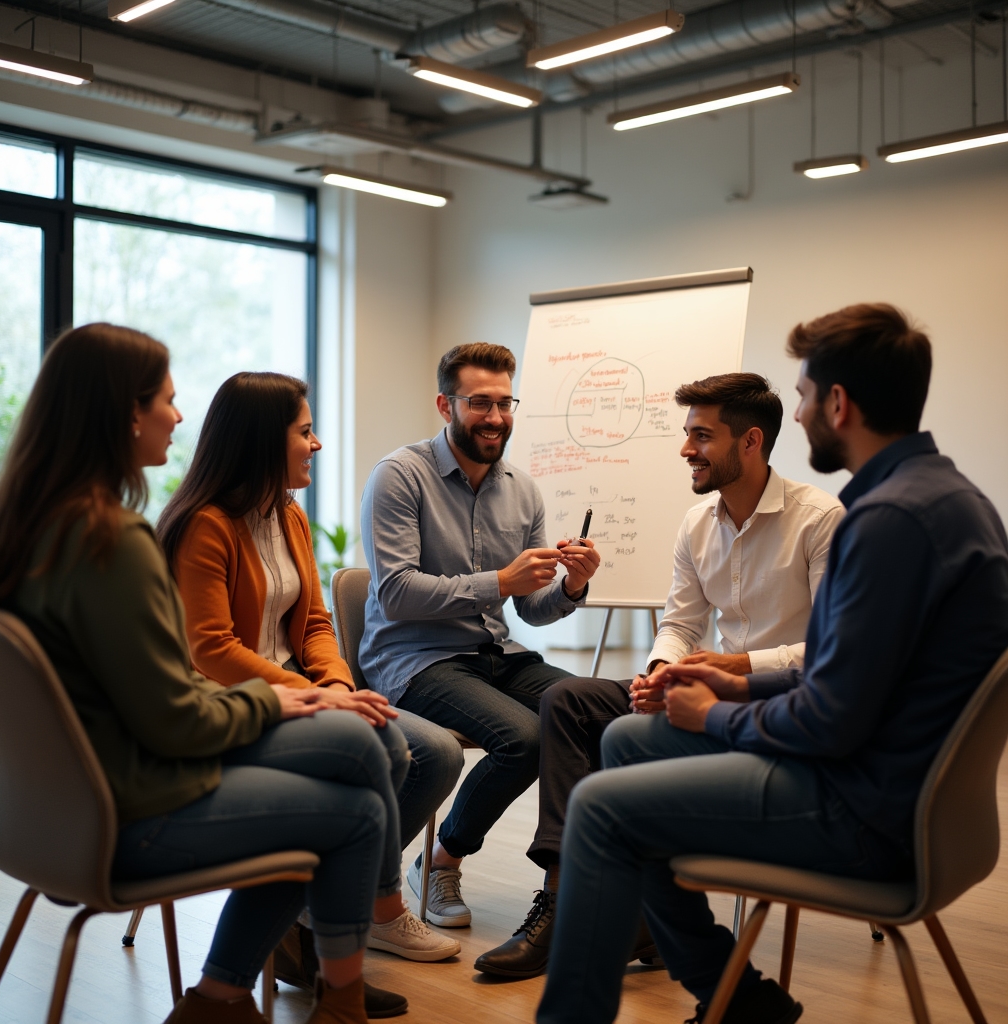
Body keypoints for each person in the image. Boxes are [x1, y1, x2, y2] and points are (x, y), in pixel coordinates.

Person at [536, 304, 1008, 1024]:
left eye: (804, 395)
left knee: (604, 807)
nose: (802, 411)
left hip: (869, 808)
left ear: (838, 404)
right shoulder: (942, 498)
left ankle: (659, 1002)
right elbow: (856, 674)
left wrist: (716, 711)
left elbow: (830, 719)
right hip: (898, 780)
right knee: (625, 739)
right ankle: (740, 1004)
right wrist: (736, 680)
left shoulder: (881, 522)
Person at [0, 323, 410, 1024]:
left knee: (356, 749)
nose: (179, 417)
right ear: (127, 413)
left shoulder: (22, 525)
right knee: (357, 806)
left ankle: (225, 997)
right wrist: (277, 704)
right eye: (168, 400)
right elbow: (176, 719)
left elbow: (147, 700)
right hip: (124, 810)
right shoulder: (111, 539)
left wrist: (300, 696)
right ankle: (323, 1004)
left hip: (36, 818)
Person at [476, 372, 844, 978]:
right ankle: (566, 894)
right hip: (705, 683)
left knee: (618, 736)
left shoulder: (820, 520)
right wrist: (658, 673)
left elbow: (832, 652)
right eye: (686, 434)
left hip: (777, 698)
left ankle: (600, 915)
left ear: (750, 442)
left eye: (701, 436)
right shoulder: (697, 524)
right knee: (568, 700)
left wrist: (736, 665)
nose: (685, 450)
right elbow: (679, 626)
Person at [156, 373, 463, 1005]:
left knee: (436, 751)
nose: (317, 444)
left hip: (303, 687)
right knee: (384, 748)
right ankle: (372, 915)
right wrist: (327, 701)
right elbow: (210, 649)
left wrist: (337, 684)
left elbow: (316, 623)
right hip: (233, 698)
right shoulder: (205, 525)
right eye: (304, 431)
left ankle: (319, 912)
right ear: (264, 441)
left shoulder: (288, 515)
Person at [359, 342, 601, 928]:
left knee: (592, 715)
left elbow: (533, 610)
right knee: (525, 738)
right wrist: (499, 581)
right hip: (414, 657)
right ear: (446, 405)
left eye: (504, 402)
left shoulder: (523, 489)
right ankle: (440, 863)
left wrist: (570, 588)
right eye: (479, 403)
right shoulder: (399, 476)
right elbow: (396, 591)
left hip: (496, 652)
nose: (494, 417)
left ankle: (577, 887)